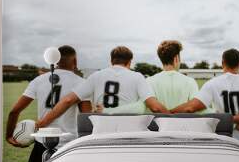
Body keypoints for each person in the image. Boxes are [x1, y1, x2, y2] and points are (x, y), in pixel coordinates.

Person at [35, 46, 169, 129]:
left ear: (111, 61)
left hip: (102, 130)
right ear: (129, 62)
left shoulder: (96, 76)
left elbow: (67, 100)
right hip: (129, 130)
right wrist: (175, 118)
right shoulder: (137, 76)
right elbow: (155, 107)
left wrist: (42, 122)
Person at [6, 45, 92, 162]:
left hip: (42, 143)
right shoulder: (81, 83)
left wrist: (9, 135)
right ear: (75, 61)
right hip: (68, 145)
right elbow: (86, 117)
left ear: (55, 60)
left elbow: (14, 111)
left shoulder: (38, 80)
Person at [103, 40, 202, 113]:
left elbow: (138, 108)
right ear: (176, 58)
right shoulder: (190, 81)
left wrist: (107, 111)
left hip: (158, 132)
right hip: (184, 131)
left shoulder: (149, 81)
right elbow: (195, 107)